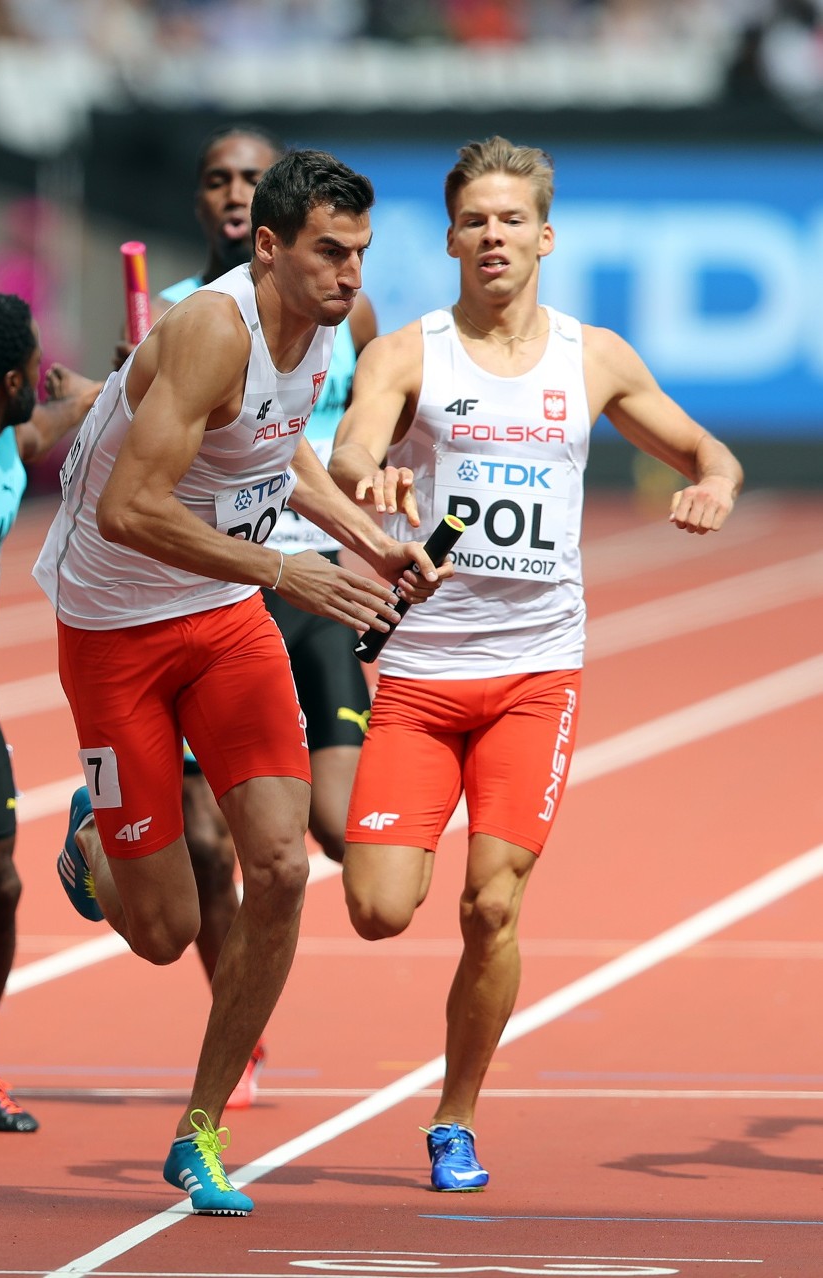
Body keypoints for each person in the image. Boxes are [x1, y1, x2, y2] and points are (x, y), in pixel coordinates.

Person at [33, 148, 451, 1216]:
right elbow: (129, 507)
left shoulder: (318, 328)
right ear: (267, 247)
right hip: (116, 626)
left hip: (221, 624)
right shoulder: (211, 329)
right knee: (168, 928)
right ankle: (93, 840)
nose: (351, 274)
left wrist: (369, 541)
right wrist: (283, 570)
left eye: (360, 253)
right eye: (329, 252)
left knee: (278, 866)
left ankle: (199, 1130)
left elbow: (281, 454)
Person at [328, 136, 744, 1194]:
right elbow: (347, 451)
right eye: (475, 220)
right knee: (379, 908)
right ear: (453, 237)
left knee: (492, 907)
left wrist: (713, 487)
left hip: (535, 673)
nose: (493, 236)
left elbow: (709, 450)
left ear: (545, 236)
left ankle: (454, 1118)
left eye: (512, 219)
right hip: (422, 674)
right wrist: (374, 481)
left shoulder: (592, 356)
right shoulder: (409, 353)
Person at [113, 124, 378, 1112]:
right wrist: (118, 391)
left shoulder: (334, 313)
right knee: (205, 862)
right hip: (196, 586)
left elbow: (343, 428)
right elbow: (132, 482)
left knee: (335, 842)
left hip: (304, 584)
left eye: (251, 177)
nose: (234, 191)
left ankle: (217, 1080)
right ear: (257, 233)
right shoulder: (192, 318)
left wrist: (369, 500)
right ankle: (238, 1026)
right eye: (219, 180)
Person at [0, 292, 99, 1133]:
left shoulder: (12, 448)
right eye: (35, 371)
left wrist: (113, 377)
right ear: (10, 378)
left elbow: (73, 410)